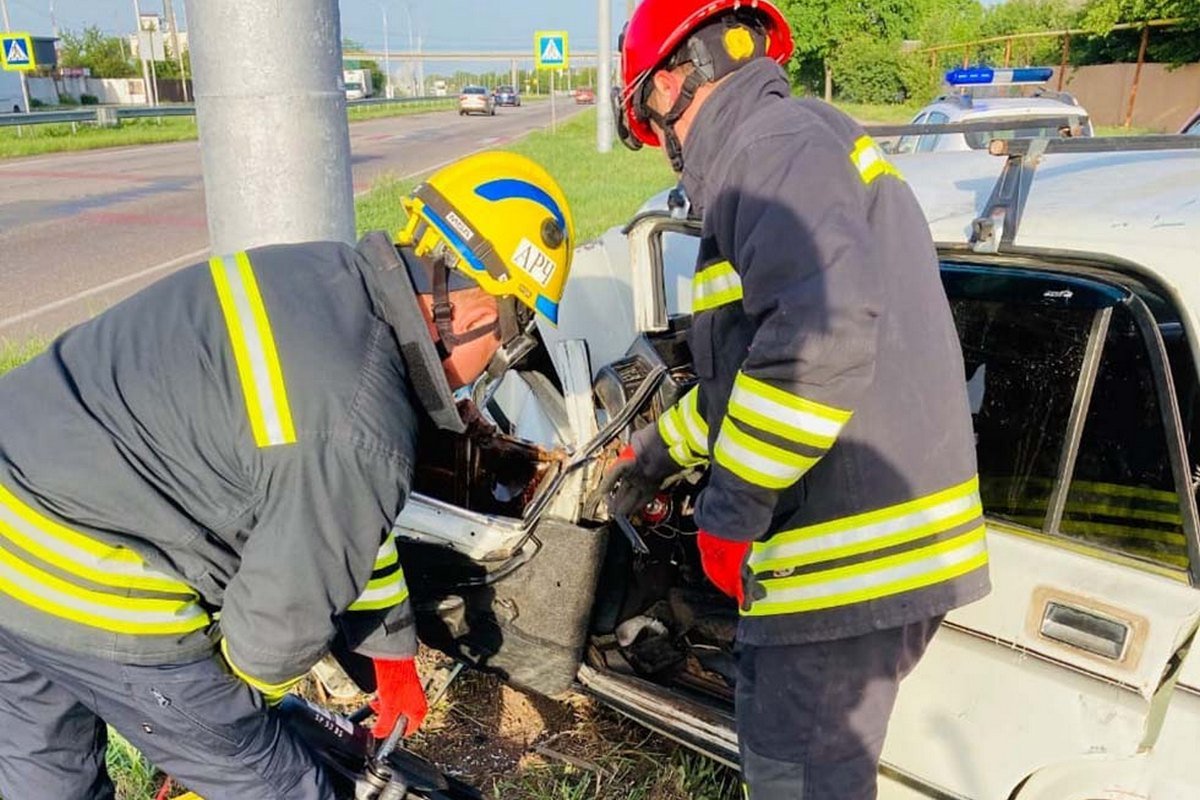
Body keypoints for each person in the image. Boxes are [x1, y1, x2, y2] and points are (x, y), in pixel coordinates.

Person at [0, 151, 574, 800]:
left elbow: (338, 511)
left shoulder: (322, 276)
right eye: (500, 344)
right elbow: (268, 643)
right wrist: (210, 747)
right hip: (86, 567)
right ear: (472, 316)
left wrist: (389, 651)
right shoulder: (364, 424)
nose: (484, 367)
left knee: (46, 780)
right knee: (288, 783)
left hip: (13, 510)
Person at [607, 2, 991, 797]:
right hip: (873, 553)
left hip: (843, 564)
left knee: (796, 777)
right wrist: (652, 452)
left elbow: (824, 340)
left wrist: (729, 513)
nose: (663, 152)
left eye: (649, 123)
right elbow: (751, 377)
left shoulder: (768, 151)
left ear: (674, 82)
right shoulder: (795, 145)